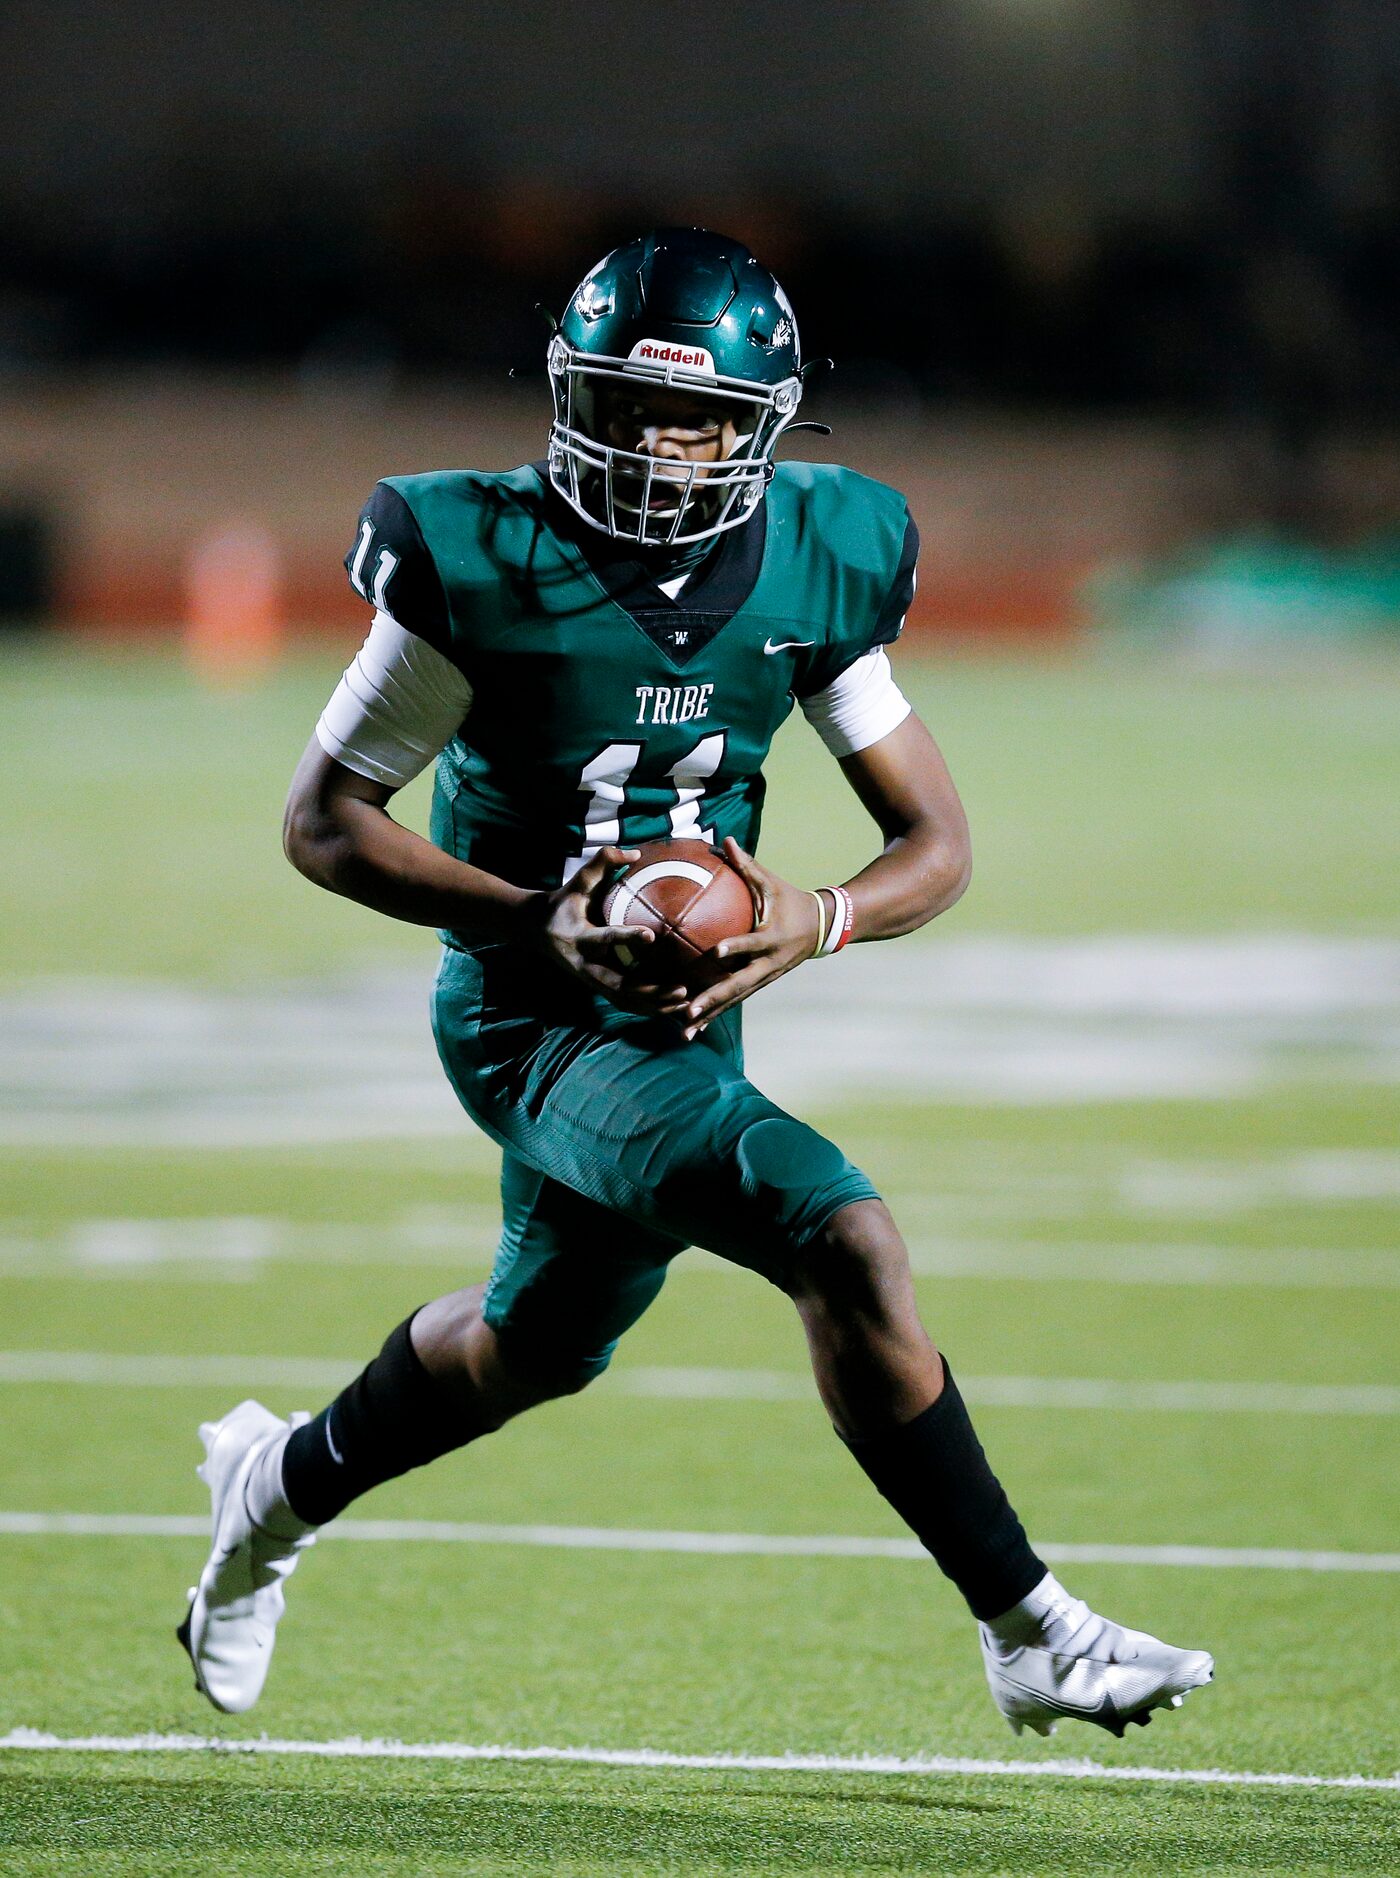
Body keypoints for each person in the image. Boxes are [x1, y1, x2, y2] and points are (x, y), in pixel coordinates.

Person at [178, 228, 1212, 1738]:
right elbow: (323, 821)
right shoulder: (480, 553)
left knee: (531, 1345)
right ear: (566, 397)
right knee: (842, 1234)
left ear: (764, 425)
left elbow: (934, 840)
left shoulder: (816, 552)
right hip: (530, 1018)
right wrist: (540, 920)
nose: (666, 451)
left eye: (705, 420)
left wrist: (822, 913)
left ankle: (274, 1487)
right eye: (632, 408)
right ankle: (1031, 1624)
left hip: (686, 1022)